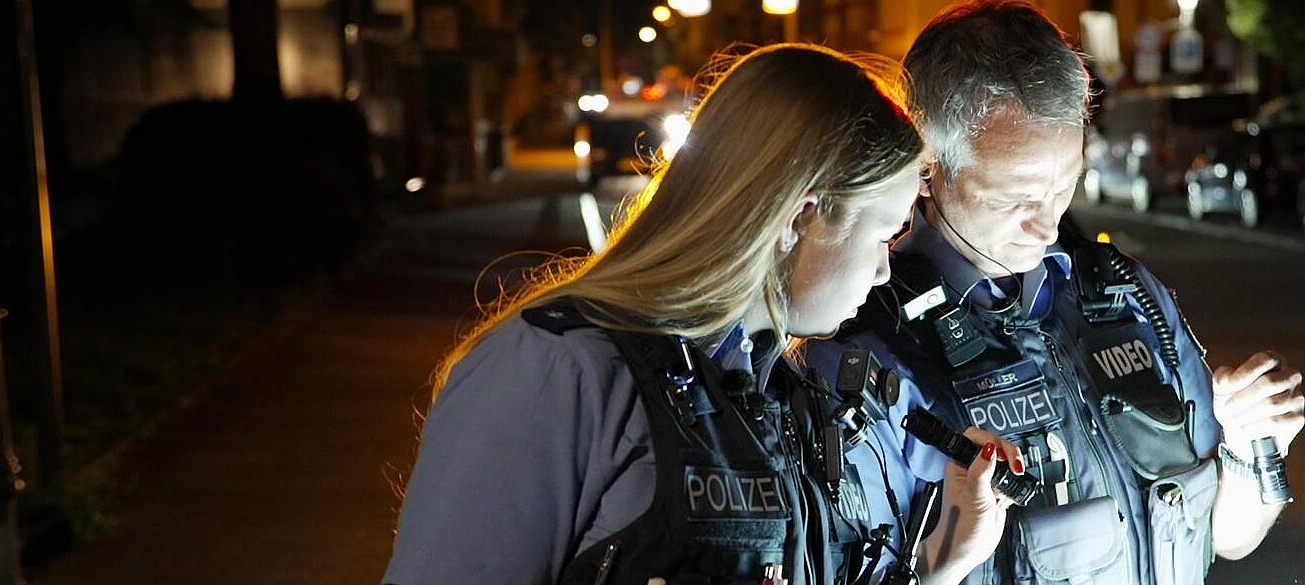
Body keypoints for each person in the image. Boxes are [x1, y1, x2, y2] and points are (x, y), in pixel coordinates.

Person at [382, 44, 1019, 585]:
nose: (885, 270)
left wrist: (939, 561)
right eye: (883, 235)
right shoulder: (554, 371)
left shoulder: (786, 394)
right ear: (802, 214)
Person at [805, 0, 1305, 584]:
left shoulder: (1125, 294)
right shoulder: (868, 351)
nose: (1046, 227)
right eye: (1013, 199)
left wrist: (1250, 447)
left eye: (1066, 186)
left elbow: (1225, 534)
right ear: (928, 166)